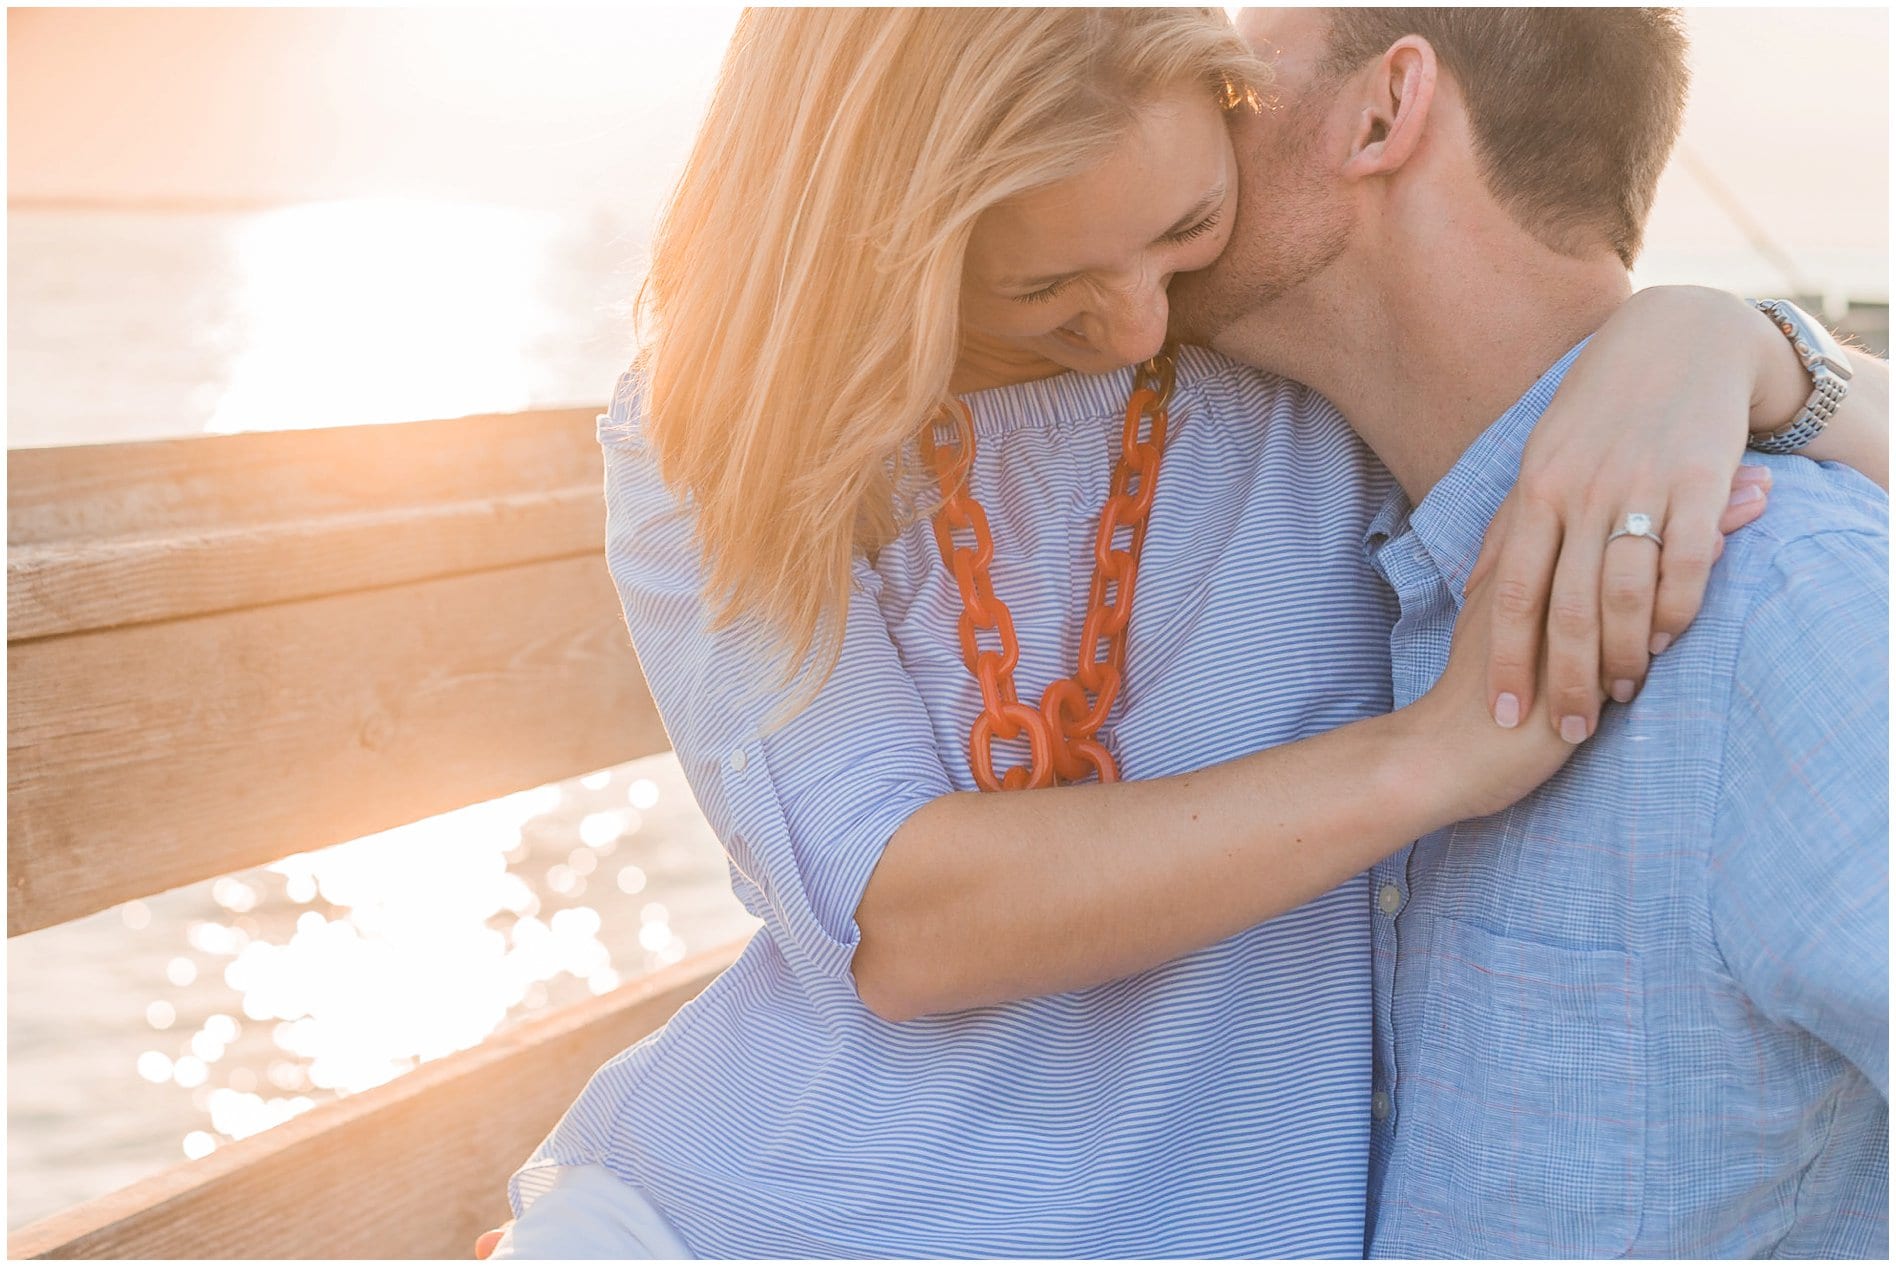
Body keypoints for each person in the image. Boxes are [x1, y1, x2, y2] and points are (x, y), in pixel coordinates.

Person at [474, 7, 1888, 1258]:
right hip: (740, 1206)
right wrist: (1436, 752)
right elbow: (896, 916)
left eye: (1185, 226)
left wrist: (1739, 342)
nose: (1137, 322)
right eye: (1047, 289)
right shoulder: (730, 428)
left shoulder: (1312, 384)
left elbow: (1553, 367)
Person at [1167, 7, 1888, 1256]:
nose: (1191, 117)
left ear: (1384, 113)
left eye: (1236, 82)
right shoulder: (1359, 560)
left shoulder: (1782, 604)